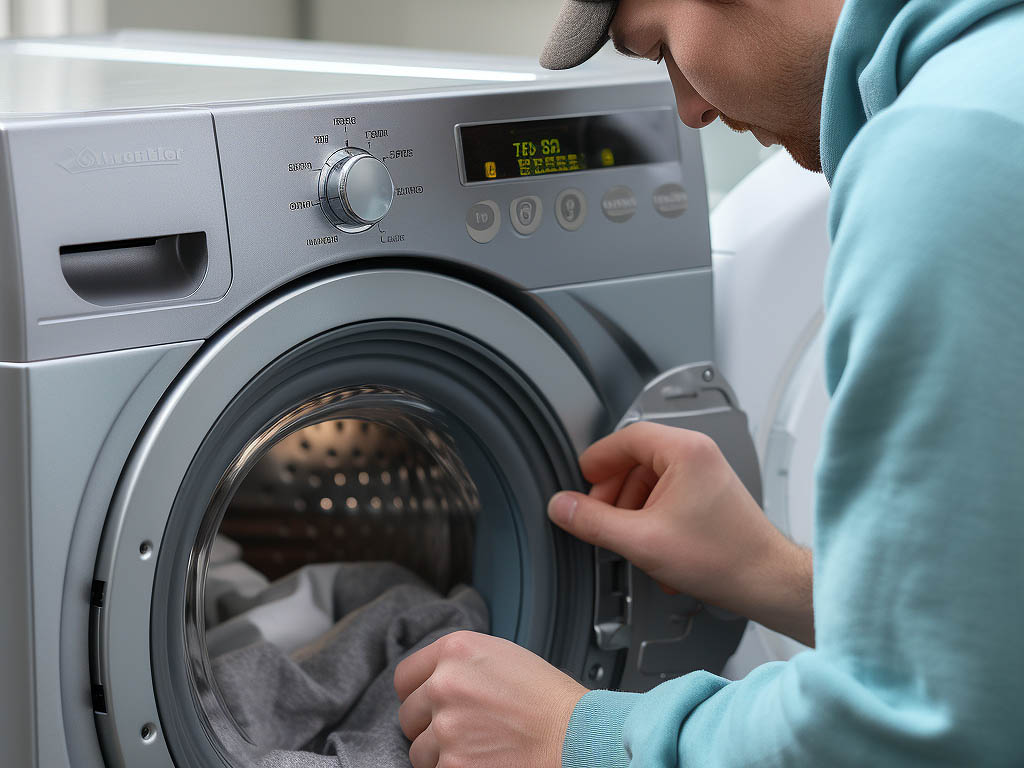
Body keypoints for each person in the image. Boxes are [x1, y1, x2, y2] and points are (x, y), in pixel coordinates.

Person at [393, 0, 1024, 764]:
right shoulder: (998, 83)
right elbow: (991, 660)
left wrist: (574, 737)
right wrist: (772, 576)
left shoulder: (952, 152)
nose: (689, 109)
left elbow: (909, 734)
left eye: (660, 48)